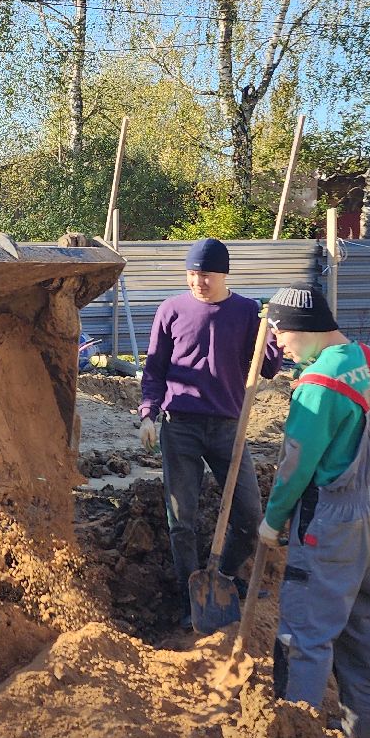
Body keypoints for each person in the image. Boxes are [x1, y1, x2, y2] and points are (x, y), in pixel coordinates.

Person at [258, 285, 370, 738]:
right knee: (364, 630)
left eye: (282, 336)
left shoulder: (317, 386)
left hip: (326, 517)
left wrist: (273, 521)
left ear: (304, 329)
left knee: (304, 636)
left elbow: (294, 465)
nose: (281, 347)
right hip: (367, 512)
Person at [138, 238, 281, 631]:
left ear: (224, 274)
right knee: (181, 519)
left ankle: (225, 579)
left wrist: (270, 332)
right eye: (193, 273)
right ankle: (192, 596)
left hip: (226, 428)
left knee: (250, 515)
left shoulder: (247, 312)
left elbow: (267, 368)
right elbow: (154, 370)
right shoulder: (170, 310)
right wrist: (148, 414)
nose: (198, 281)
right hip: (179, 426)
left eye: (206, 274)